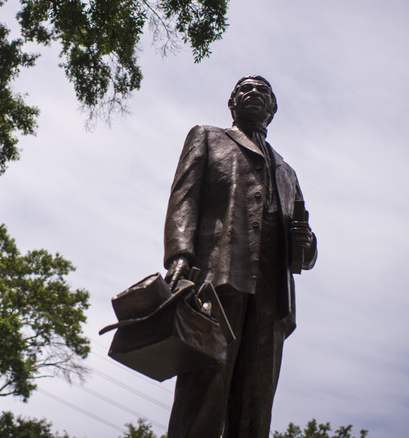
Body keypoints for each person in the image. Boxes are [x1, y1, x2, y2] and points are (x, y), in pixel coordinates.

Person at [163, 75, 317, 438]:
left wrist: (306, 244)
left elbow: (303, 252)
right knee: (206, 384)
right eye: (244, 90)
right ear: (231, 103)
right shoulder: (208, 137)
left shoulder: (287, 172)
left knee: (256, 401)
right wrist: (180, 255)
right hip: (219, 279)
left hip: (272, 296)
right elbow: (183, 199)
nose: (252, 94)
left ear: (272, 109)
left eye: (262, 91)